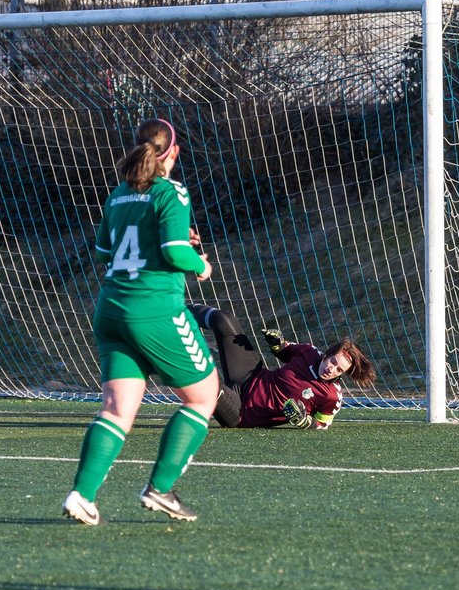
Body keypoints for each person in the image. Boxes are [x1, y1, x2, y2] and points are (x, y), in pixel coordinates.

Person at [62, 118, 219, 526]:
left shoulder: (118, 195)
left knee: (116, 411)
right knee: (204, 396)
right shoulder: (173, 191)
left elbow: (104, 252)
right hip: (154, 311)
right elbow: (173, 253)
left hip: (110, 310)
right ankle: (160, 489)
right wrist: (199, 262)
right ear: (174, 153)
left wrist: (172, 240)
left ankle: (82, 495)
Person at [185, 303, 376, 429]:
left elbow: (322, 424)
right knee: (224, 320)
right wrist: (276, 341)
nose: (332, 369)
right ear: (327, 354)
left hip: (242, 412)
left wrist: (305, 422)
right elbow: (283, 351)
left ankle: (163, 351)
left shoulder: (332, 395)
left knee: (206, 380)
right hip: (250, 376)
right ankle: (168, 309)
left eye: (339, 370)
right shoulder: (309, 353)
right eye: (333, 362)